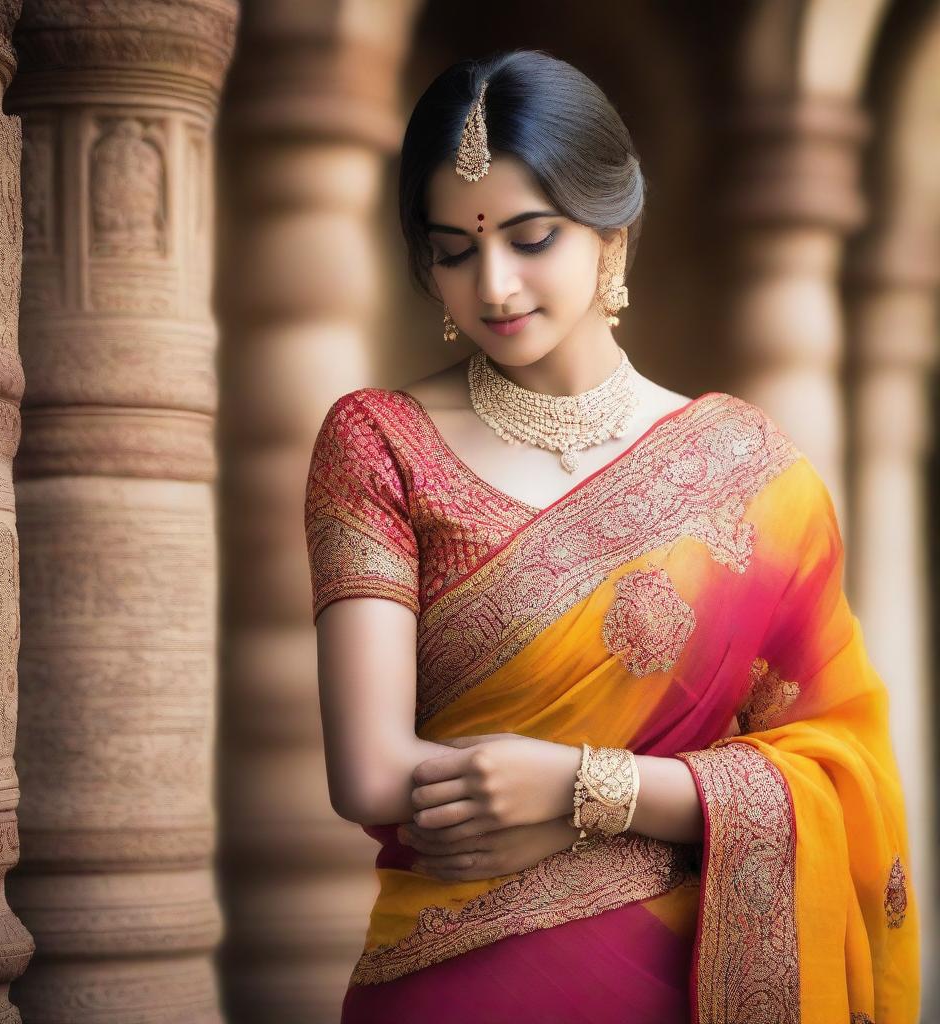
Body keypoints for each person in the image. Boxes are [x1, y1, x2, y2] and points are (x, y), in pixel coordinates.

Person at [303, 48, 920, 1024]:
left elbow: (839, 761)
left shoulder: (751, 469)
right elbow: (371, 772)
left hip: (678, 979)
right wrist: (641, 803)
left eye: (530, 236)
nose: (494, 285)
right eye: (454, 251)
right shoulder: (378, 442)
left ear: (610, 231)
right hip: (452, 978)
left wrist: (583, 787)